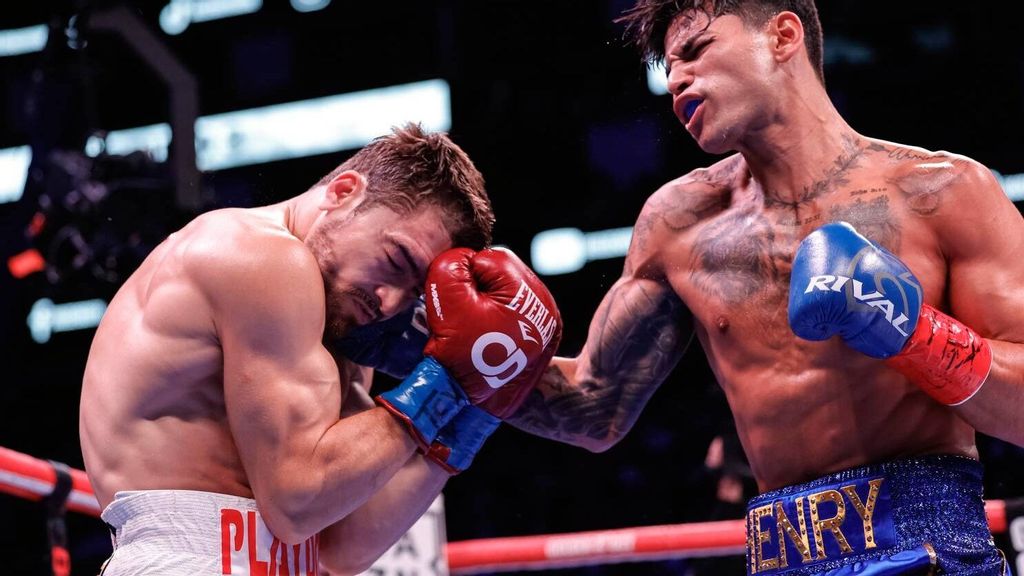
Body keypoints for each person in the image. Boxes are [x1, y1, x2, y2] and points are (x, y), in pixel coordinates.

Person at [506, 1, 1024, 574]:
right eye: (669, 65)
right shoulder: (680, 224)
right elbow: (593, 406)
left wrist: (911, 330)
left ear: (782, 35)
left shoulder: (943, 193)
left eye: (696, 51)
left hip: (930, 552)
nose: (675, 77)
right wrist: (448, 353)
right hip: (779, 559)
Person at [79, 123, 562, 575]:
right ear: (344, 192)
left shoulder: (336, 327)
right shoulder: (261, 256)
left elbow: (342, 544)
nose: (390, 302)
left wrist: (471, 413)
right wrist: (441, 380)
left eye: (415, 294)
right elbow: (297, 502)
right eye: (396, 259)